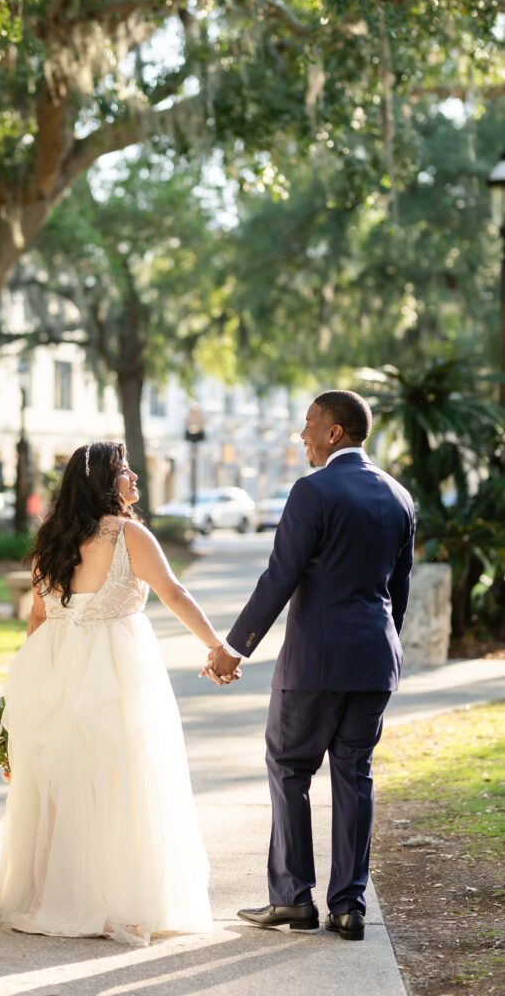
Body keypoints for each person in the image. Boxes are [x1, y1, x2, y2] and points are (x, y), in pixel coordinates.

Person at [0, 441, 218, 947]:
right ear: (103, 483)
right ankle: (114, 900)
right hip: (117, 669)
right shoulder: (128, 534)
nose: (134, 477)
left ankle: (56, 894)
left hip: (55, 664)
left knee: (63, 781)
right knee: (123, 778)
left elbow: (39, 617)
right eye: (124, 470)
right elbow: (174, 593)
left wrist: (27, 697)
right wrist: (218, 646)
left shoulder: (51, 538)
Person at [201, 390, 415, 942]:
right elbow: (399, 591)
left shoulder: (312, 491)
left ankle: (294, 900)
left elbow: (280, 576)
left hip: (314, 664)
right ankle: (348, 906)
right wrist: (380, 644)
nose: (303, 436)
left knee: (290, 768)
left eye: (309, 425)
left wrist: (234, 647)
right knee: (354, 776)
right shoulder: (399, 496)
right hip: (374, 662)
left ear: (334, 433)